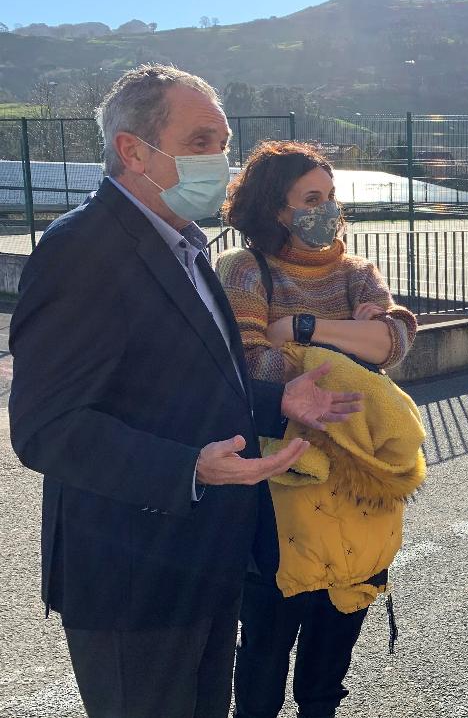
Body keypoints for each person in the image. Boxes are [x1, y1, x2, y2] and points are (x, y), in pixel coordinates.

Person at [8, 65, 361, 718]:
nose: (220, 160)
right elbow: (45, 425)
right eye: (200, 142)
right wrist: (189, 468)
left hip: (203, 569)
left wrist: (274, 403)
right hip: (132, 585)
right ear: (133, 151)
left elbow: (193, 385)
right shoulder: (79, 250)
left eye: (222, 141)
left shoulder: (189, 248)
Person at [216, 141, 423, 718]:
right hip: (279, 485)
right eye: (311, 198)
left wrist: (298, 327)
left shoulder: (358, 272)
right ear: (275, 208)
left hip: (357, 480)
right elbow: (249, 364)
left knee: (332, 654)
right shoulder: (242, 269)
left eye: (331, 197)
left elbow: (394, 343)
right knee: (265, 643)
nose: (327, 210)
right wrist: (344, 342)